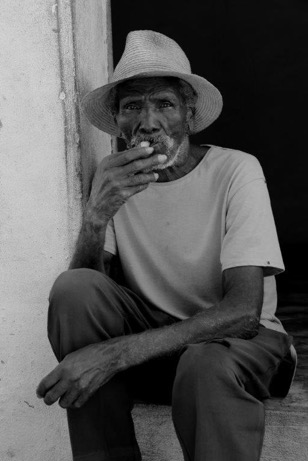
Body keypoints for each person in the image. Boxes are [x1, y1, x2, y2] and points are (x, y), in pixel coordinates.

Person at [36, 30, 296, 461]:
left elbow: (244, 312)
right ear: (118, 121)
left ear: (189, 116)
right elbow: (88, 295)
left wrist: (115, 353)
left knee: (204, 364)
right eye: (132, 106)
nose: (148, 122)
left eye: (164, 104)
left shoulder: (236, 170)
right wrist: (96, 216)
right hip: (159, 351)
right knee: (73, 288)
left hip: (238, 352)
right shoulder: (114, 176)